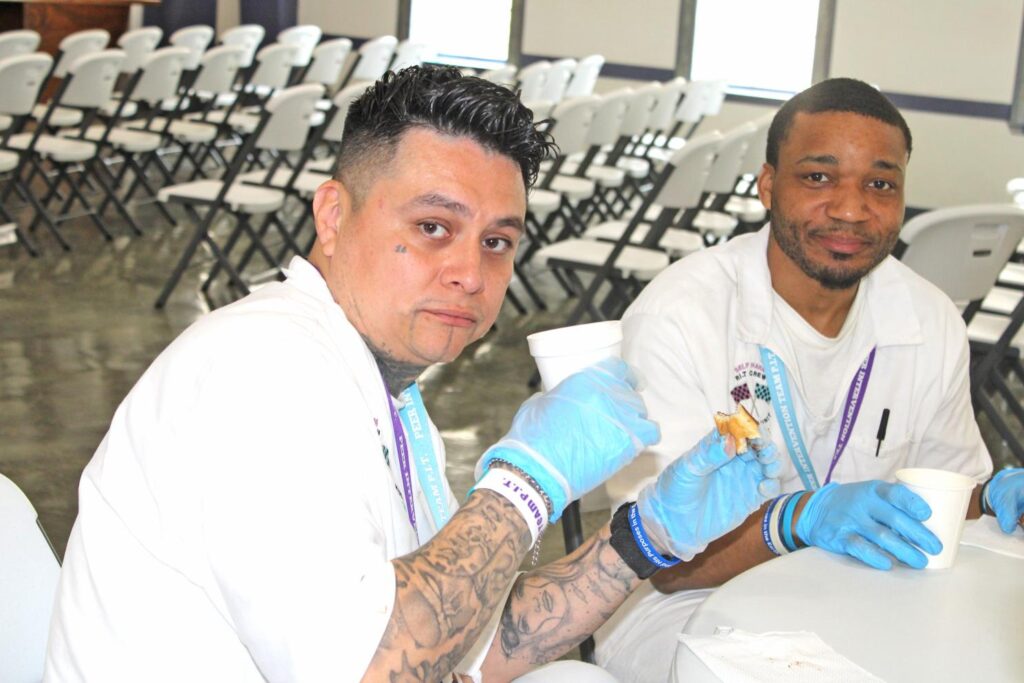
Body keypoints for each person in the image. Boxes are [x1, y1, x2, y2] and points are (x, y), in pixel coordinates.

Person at [44, 66, 782, 682]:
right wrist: (525, 487)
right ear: (332, 216)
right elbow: (374, 669)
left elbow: (458, 639)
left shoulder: (385, 386)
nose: (470, 273)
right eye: (433, 227)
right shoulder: (260, 370)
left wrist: (644, 537)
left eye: (497, 241)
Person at [594, 77, 1024, 683]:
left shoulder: (928, 318)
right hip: (686, 606)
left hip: (862, 582)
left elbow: (945, 491)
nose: (850, 209)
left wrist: (993, 496)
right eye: (818, 177)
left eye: (880, 184)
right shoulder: (682, 314)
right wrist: (796, 519)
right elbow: (660, 562)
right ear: (768, 185)